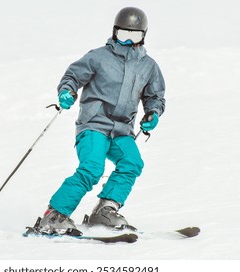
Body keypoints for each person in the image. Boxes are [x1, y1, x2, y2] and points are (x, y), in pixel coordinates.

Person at [38, 7, 166, 234]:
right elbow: (73, 76)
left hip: (122, 129)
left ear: (143, 36)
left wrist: (152, 113)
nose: (127, 41)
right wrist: (67, 92)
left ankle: (105, 210)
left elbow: (154, 96)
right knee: (92, 168)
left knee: (132, 163)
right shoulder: (98, 57)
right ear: (114, 32)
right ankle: (55, 214)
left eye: (133, 36)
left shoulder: (149, 66)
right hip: (94, 124)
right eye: (122, 35)